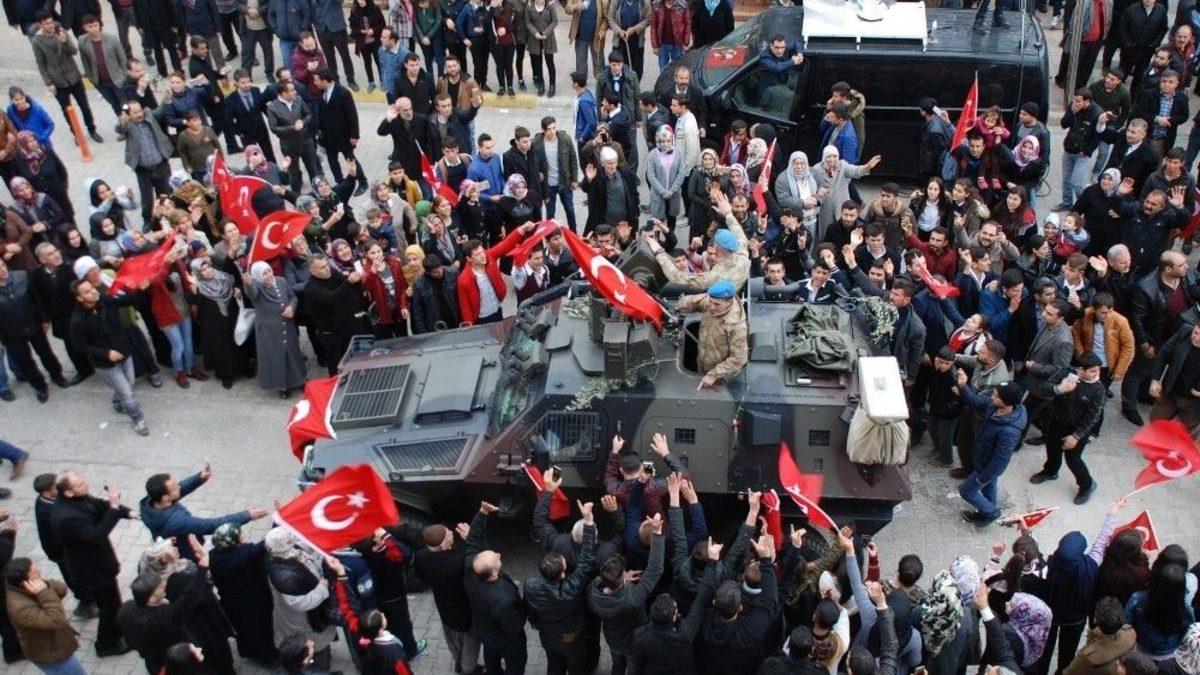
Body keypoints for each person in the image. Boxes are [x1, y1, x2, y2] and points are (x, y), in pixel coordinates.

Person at [51, 470, 136, 657]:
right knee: (109, 607)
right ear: (68, 492)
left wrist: (127, 512)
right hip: (92, 570)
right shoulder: (66, 517)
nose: (86, 485)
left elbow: (100, 505)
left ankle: (117, 631)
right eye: (80, 484)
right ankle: (106, 645)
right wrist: (115, 507)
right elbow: (97, 535)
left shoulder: (76, 498)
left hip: (99, 563)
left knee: (113, 602)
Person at [117, 536, 216, 673]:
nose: (164, 584)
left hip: (151, 659)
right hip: (174, 660)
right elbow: (188, 599)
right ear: (151, 597)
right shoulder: (163, 616)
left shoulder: (125, 609)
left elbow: (129, 639)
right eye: (160, 586)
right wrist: (203, 568)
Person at [522, 496, 598, 673]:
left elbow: (529, 609)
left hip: (547, 634)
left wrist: (534, 622)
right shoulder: (570, 590)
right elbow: (585, 561)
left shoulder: (530, 585)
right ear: (563, 573)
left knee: (554, 663)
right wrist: (589, 523)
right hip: (570, 636)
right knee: (576, 663)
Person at [68, 279, 151, 435]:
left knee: (130, 382)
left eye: (92, 288)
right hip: (105, 363)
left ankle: (117, 401)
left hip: (124, 352)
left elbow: (129, 300)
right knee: (127, 393)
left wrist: (140, 288)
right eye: (87, 291)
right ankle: (138, 419)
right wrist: (106, 353)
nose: (93, 292)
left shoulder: (105, 301)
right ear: (79, 298)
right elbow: (81, 346)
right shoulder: (77, 321)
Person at [139, 467, 268, 560]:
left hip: (175, 542)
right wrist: (246, 515)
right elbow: (211, 525)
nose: (179, 486)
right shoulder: (177, 521)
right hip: (189, 550)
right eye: (175, 487)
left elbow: (178, 491)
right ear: (165, 498)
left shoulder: (149, 503)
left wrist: (199, 478)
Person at [1029, 353, 1106, 504]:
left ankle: (1087, 485)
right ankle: (1050, 472)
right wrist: (1059, 388)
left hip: (1078, 429)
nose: (1097, 374)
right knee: (1052, 449)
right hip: (1057, 422)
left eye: (1098, 370)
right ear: (1081, 369)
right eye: (1092, 371)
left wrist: (1076, 436)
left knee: (1073, 459)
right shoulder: (1066, 374)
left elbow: (1093, 416)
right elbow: (1045, 388)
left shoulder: (1098, 389)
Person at [463, 501, 528, 674]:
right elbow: (514, 626)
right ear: (493, 572)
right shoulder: (503, 600)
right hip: (506, 640)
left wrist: (482, 513)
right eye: (496, 557)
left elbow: (473, 541)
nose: (498, 554)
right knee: (515, 665)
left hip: (486, 632)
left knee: (492, 660)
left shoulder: (471, 571)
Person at [955, 376, 1027, 526]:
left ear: (1007, 402)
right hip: (981, 459)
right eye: (994, 393)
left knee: (966, 491)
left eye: (996, 396)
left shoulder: (1009, 431)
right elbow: (975, 401)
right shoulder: (995, 405)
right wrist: (963, 386)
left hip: (986, 467)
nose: (992, 397)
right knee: (989, 486)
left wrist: (982, 478)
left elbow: (1000, 461)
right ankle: (986, 513)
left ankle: (991, 513)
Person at [646, 191, 750, 290]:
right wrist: (728, 214)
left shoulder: (715, 276)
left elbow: (679, 279)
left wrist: (659, 252)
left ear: (718, 248)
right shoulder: (742, 255)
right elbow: (738, 232)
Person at [208, 523, 278, 666]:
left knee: (242, 629)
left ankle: (247, 651)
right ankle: (268, 658)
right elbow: (269, 541)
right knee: (261, 630)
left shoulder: (213, 555)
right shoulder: (248, 553)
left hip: (231, 602)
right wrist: (279, 523)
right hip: (255, 602)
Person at [3, 556, 87, 675]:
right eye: (35, 572)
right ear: (25, 583)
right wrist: (43, 592)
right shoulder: (20, 609)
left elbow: (62, 589)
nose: (39, 572)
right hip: (52, 655)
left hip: (56, 645)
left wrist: (44, 586)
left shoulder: (29, 587)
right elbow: (56, 620)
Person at [0, 258, 67, 404]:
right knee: (25, 362)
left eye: (3, 265)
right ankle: (39, 386)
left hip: (33, 325)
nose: (3, 270)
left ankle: (56, 375)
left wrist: (44, 320)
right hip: (12, 333)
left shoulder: (22, 276)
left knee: (46, 353)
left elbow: (37, 299)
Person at [30, 12, 103, 143]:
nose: (50, 25)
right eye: (46, 23)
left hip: (73, 75)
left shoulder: (61, 31)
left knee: (84, 106)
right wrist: (48, 82)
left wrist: (65, 42)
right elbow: (41, 63)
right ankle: (76, 133)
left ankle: (92, 129)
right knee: (67, 110)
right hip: (57, 80)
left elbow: (74, 51)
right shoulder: (37, 41)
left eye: (51, 22)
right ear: (40, 25)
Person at [243, 261, 306, 397]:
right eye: (264, 274)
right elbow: (251, 293)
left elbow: (293, 297)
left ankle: (299, 380)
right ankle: (282, 386)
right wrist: (248, 283)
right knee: (276, 357)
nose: (268, 275)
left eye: (269, 271)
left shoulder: (281, 281)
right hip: (269, 330)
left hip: (287, 324)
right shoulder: (257, 286)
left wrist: (291, 307)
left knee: (292, 353)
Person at [676, 280, 749, 390]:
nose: (712, 307)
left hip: (721, 375)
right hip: (703, 362)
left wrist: (713, 375)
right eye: (710, 302)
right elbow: (681, 306)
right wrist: (692, 300)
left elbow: (739, 358)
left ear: (729, 301)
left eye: (717, 304)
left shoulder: (736, 325)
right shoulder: (713, 301)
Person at [1022, 299, 1076, 445]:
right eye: (1045, 310)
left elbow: (1060, 369)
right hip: (1035, 380)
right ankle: (1048, 433)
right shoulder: (1048, 323)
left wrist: (1035, 367)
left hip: (1044, 385)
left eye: (1050, 313)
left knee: (1026, 411)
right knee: (1045, 411)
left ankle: (1016, 442)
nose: (1043, 315)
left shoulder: (1063, 341)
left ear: (1061, 318)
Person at [456, 222, 530, 325]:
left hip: (498, 310)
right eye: (477, 255)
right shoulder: (463, 280)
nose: (483, 256)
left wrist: (522, 229)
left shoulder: (489, 256)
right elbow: (465, 307)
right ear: (469, 259)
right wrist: (469, 327)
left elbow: (505, 245)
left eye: (482, 252)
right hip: (482, 318)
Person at [118, 100, 175, 227]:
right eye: (135, 112)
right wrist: (123, 121)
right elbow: (119, 129)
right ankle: (148, 220)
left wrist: (166, 99)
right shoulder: (128, 124)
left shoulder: (149, 115)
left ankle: (167, 216)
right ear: (129, 114)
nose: (139, 114)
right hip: (143, 170)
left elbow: (160, 111)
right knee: (147, 198)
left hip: (161, 165)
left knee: (165, 193)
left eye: (140, 110)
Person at [313, 68, 366, 195]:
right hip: (328, 136)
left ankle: (363, 182)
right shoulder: (322, 92)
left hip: (343, 135)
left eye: (316, 80)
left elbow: (352, 115)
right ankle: (340, 183)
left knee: (350, 159)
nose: (315, 83)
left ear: (324, 81)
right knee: (332, 160)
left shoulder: (343, 93)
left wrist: (354, 135)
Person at [266, 80, 321, 193]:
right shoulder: (272, 108)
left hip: (306, 142)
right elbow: (274, 128)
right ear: (283, 93)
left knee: (313, 169)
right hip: (289, 146)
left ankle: (318, 193)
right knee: (294, 173)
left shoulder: (299, 99)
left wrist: (303, 122)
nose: (295, 92)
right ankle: (296, 196)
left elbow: (308, 114)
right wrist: (293, 128)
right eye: (291, 90)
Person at [1061, 596, 1136, 675]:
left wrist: (1088, 646)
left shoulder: (1088, 657)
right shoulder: (1130, 632)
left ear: (1095, 620)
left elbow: (1068, 673)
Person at [1148, 323, 1200, 434]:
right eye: (1195, 333)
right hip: (1171, 392)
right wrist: (1155, 380)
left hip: (1192, 403)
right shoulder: (1185, 331)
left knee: (1183, 434)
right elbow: (1164, 353)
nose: (1196, 338)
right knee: (1155, 421)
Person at [77, 15, 128, 122]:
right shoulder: (82, 41)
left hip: (117, 79)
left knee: (125, 105)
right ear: (85, 27)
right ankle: (123, 124)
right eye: (90, 27)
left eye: (95, 25)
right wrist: (91, 77)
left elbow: (123, 59)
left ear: (99, 25)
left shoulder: (112, 39)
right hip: (100, 82)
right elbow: (85, 61)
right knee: (114, 104)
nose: (93, 29)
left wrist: (124, 76)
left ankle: (130, 124)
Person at [224, 70, 274, 159]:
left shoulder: (256, 90)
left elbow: (263, 107)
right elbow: (228, 120)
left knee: (269, 155)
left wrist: (272, 120)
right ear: (236, 83)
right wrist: (239, 133)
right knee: (253, 158)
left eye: (248, 81)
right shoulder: (230, 99)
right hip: (246, 134)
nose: (247, 85)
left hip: (261, 130)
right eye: (243, 83)